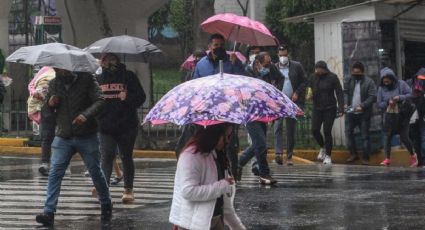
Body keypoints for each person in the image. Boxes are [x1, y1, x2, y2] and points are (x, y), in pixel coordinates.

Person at [35, 68, 112, 226]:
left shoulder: (87, 79)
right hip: (63, 135)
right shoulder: (54, 83)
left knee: (94, 170)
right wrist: (50, 103)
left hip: (86, 134)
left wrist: (86, 115)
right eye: (55, 68)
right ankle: (48, 211)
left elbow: (100, 101)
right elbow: (47, 112)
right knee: (55, 172)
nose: (58, 70)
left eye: (60, 67)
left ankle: (106, 203)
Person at [179, 33, 245, 178]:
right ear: (209, 47)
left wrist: (237, 64)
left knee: (229, 143)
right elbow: (195, 86)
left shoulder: (232, 62)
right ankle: (211, 174)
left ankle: (232, 173)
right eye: (216, 46)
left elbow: (243, 82)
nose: (219, 48)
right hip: (206, 110)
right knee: (208, 142)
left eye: (222, 45)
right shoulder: (202, 64)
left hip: (228, 110)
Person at [169, 123, 246, 230]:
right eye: (227, 136)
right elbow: (188, 191)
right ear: (215, 134)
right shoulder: (190, 156)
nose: (228, 141)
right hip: (192, 225)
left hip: (214, 220)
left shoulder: (216, 155)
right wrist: (221, 186)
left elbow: (226, 207)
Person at [96, 53, 146, 203]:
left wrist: (128, 98)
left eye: (108, 60)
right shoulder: (99, 79)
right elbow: (92, 100)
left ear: (116, 61)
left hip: (127, 125)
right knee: (107, 156)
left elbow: (141, 97)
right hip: (105, 125)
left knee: (126, 156)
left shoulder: (128, 76)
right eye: (103, 60)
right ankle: (104, 190)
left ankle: (128, 189)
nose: (104, 63)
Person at [237, 52, 281, 185]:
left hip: (262, 112)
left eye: (270, 63)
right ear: (257, 63)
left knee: (257, 143)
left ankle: (238, 164)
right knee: (261, 144)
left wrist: (271, 72)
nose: (268, 66)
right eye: (266, 64)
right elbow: (251, 89)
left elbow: (278, 80)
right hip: (250, 112)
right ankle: (264, 173)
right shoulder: (247, 73)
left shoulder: (267, 72)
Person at [273, 45, 307, 166]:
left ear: (288, 55)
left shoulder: (296, 66)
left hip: (292, 102)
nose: (283, 57)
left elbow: (304, 81)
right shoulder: (274, 67)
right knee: (277, 126)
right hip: (279, 102)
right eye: (281, 55)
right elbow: (271, 82)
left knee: (290, 129)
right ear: (278, 55)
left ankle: (289, 156)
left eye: (285, 55)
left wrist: (297, 92)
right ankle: (278, 154)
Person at [378, 67, 418, 167]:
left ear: (392, 79)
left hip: (402, 116)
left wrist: (399, 97)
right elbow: (379, 103)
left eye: (388, 80)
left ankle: (413, 155)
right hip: (389, 117)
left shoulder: (401, 84)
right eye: (384, 81)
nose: (386, 82)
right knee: (387, 137)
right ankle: (387, 158)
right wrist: (388, 102)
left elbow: (411, 94)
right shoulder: (381, 88)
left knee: (404, 137)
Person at [310, 61, 344, 165]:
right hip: (317, 108)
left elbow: (339, 92)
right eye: (316, 69)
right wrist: (310, 95)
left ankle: (328, 155)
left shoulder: (332, 77)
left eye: (318, 69)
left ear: (324, 69)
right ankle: (322, 147)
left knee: (327, 131)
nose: (317, 71)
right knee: (314, 129)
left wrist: (341, 107)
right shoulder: (313, 77)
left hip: (330, 108)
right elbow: (309, 88)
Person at [344, 62, 377, 165]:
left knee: (364, 136)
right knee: (349, 133)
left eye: (357, 73)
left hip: (364, 113)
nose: (355, 74)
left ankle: (366, 158)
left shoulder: (369, 82)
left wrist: (362, 106)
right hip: (351, 112)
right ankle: (353, 154)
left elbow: (372, 96)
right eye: (353, 72)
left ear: (362, 72)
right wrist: (345, 103)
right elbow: (345, 92)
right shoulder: (350, 80)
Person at [27, 67, 56, 176]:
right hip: (44, 107)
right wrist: (35, 93)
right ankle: (45, 163)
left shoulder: (66, 72)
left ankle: (59, 163)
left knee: (61, 138)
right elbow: (31, 85)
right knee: (46, 136)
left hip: (61, 109)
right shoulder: (44, 70)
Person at [407, 67, 425, 167]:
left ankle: (422, 159)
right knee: (415, 138)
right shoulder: (409, 84)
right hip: (413, 116)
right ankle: (419, 160)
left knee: (422, 138)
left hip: (422, 116)